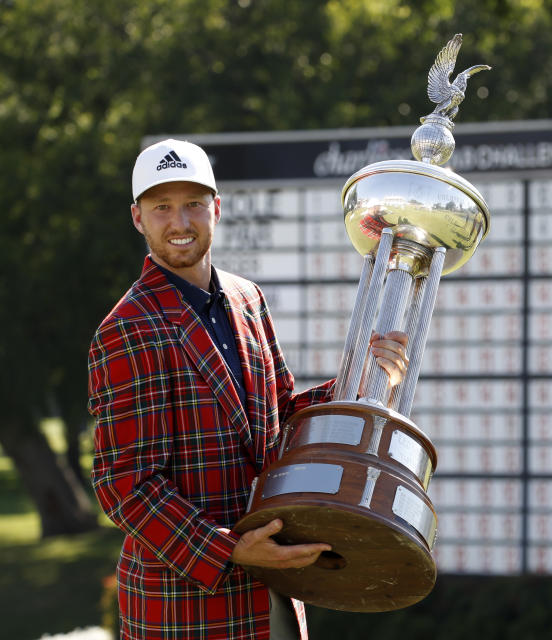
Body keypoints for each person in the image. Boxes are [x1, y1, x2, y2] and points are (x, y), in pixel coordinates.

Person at [88, 139, 409, 639]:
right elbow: (126, 485)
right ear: (138, 218)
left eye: (193, 204)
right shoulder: (127, 328)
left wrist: (362, 378)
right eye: (162, 207)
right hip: (184, 606)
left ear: (216, 208)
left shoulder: (246, 298)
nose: (180, 223)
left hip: (273, 591)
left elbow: (281, 419)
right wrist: (229, 549)